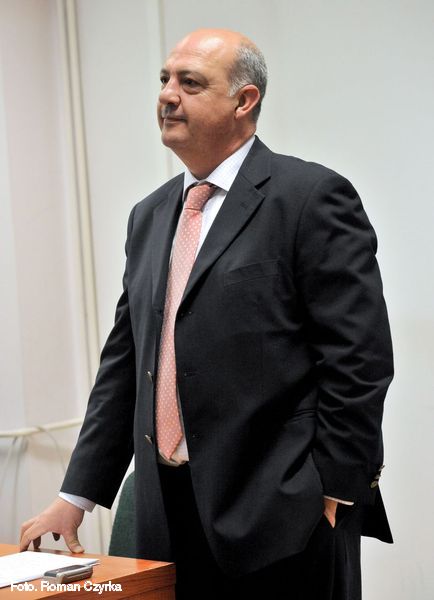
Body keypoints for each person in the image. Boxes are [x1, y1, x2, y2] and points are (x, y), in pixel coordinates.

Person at [20, 28, 393, 600]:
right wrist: (76, 496)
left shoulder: (310, 197)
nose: (167, 95)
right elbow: (127, 365)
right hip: (168, 518)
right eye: (164, 80)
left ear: (245, 101)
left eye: (190, 83)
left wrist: (334, 489)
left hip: (283, 517)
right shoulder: (149, 216)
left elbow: (359, 359)